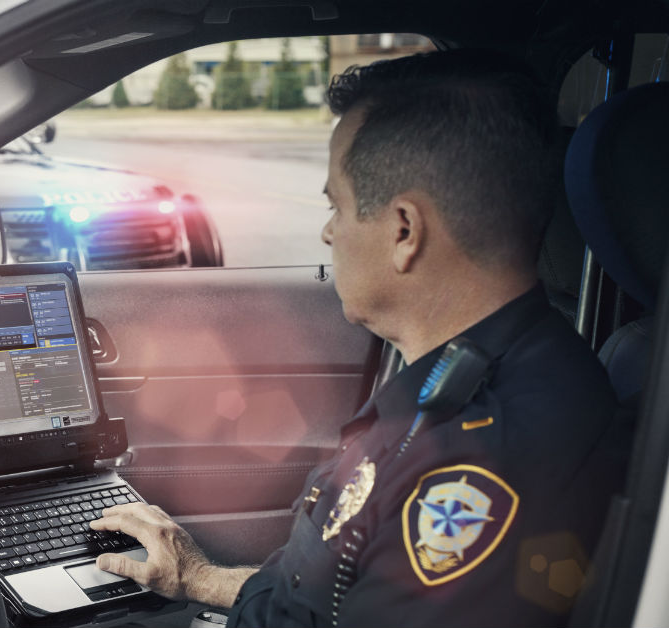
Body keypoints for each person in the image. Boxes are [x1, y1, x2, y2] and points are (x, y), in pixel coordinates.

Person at [90, 49, 622, 627]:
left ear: (403, 231)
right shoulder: (467, 380)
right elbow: (323, 601)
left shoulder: (476, 471)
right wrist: (196, 576)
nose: (327, 231)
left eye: (336, 205)